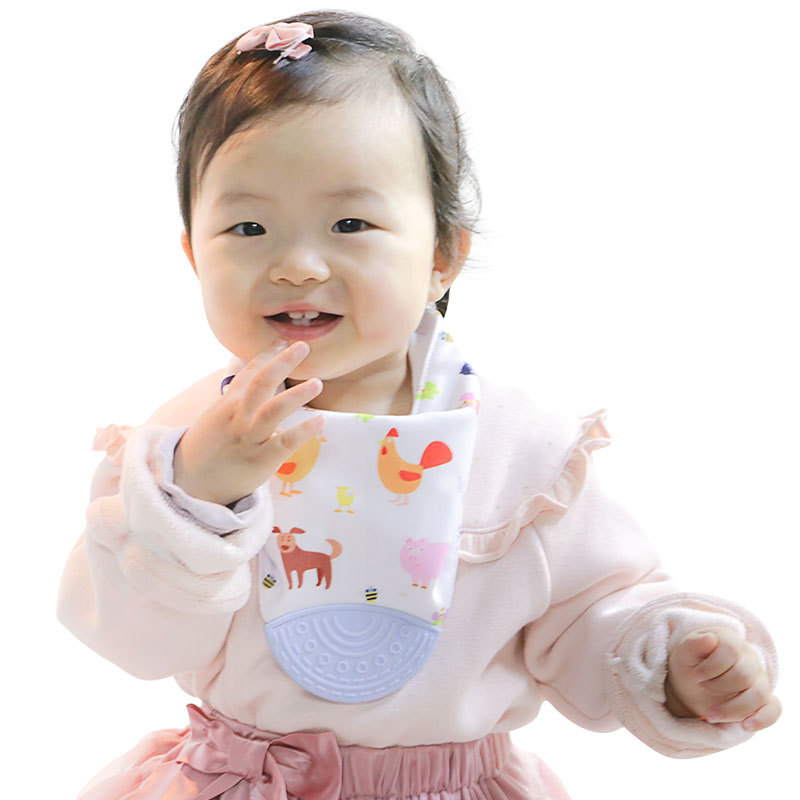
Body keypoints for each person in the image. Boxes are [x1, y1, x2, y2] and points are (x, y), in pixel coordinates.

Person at [56, 10, 781, 800]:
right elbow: (131, 641)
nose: (298, 265)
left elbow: (591, 612)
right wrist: (198, 498)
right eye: (249, 226)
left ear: (442, 254)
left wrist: (672, 661)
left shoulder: (518, 450)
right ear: (195, 253)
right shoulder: (179, 444)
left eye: (350, 223)